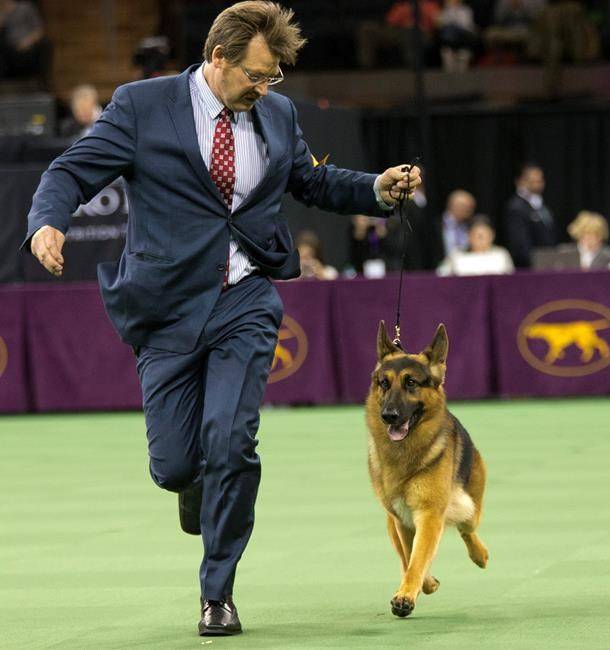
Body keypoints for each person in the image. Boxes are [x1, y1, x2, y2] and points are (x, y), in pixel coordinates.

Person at [22, 1, 421, 638]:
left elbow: (312, 183)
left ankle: (218, 591)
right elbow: (71, 170)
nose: (266, 89)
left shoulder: (278, 113)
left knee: (232, 441)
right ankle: (193, 484)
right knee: (177, 465)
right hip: (166, 305)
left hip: (245, 298)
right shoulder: (141, 106)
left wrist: (376, 187)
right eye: (257, 76)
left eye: (274, 78)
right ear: (218, 58)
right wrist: (47, 221)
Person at [504, 163, 556, 268]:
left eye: (539, 181)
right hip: (530, 266)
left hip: (547, 263)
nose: (537, 184)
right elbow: (520, 245)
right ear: (520, 181)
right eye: (532, 181)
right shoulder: (516, 207)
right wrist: (536, 262)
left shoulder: (541, 204)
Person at [438, 214, 514, 275]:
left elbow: (510, 279)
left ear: (492, 236)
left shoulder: (501, 254)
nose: (479, 239)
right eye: (476, 235)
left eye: (483, 236)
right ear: (468, 236)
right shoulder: (457, 255)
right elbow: (441, 275)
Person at [423, 188, 476, 270]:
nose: (468, 210)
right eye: (464, 206)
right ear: (451, 205)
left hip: (465, 270)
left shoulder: (471, 226)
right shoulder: (434, 225)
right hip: (437, 271)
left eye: (470, 207)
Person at [0, 0, 46, 81]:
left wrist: (27, 42)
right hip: (7, 49)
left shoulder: (25, 7)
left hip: (28, 45)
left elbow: (39, 30)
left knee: (45, 44)